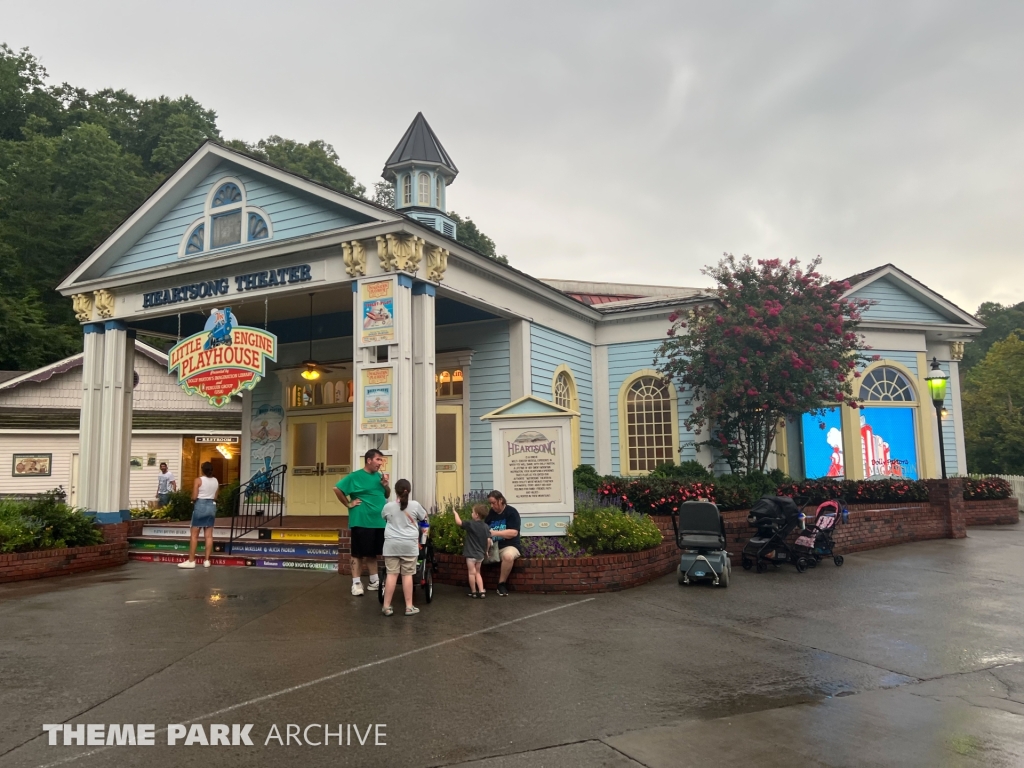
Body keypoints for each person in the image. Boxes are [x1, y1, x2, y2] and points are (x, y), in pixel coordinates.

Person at [334, 449, 390, 596]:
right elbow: (337, 488)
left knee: (372, 553)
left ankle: (374, 581)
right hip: (361, 520)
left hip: (378, 522)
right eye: (378, 460)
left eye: (381, 460)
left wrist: (385, 484)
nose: (380, 463)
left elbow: (387, 494)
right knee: (358, 553)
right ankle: (356, 583)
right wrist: (348, 504)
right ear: (369, 460)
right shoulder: (355, 476)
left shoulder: (379, 476)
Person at [380, 478, 428, 616]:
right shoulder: (415, 505)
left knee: (391, 575)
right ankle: (409, 606)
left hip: (391, 545)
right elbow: (424, 518)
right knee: (407, 575)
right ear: (409, 491)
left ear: (396, 491)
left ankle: (387, 606)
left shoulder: (388, 506)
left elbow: (384, 518)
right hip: (409, 545)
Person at [178, 462, 219, 569]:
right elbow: (215, 496)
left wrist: (192, 500)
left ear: (202, 470)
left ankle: (191, 561)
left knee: (194, 535)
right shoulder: (215, 480)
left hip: (200, 505)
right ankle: (206, 561)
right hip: (211, 506)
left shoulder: (198, 480)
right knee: (209, 535)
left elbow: (194, 496)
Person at [484, 490, 522, 596]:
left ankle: (501, 584)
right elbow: (484, 528)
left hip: (509, 546)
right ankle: (476, 586)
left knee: (508, 556)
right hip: (492, 546)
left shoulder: (512, 512)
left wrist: (495, 532)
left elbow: (513, 532)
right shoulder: (490, 514)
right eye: (490, 503)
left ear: (501, 500)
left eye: (494, 503)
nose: (492, 506)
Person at [453, 503, 492, 598]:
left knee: (471, 573)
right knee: (478, 572)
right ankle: (482, 591)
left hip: (470, 555)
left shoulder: (470, 524)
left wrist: (455, 513)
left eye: (472, 512)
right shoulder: (486, 526)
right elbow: (488, 540)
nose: (472, 513)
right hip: (480, 555)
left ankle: (474, 592)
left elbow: (459, 522)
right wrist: (486, 551)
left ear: (477, 514)